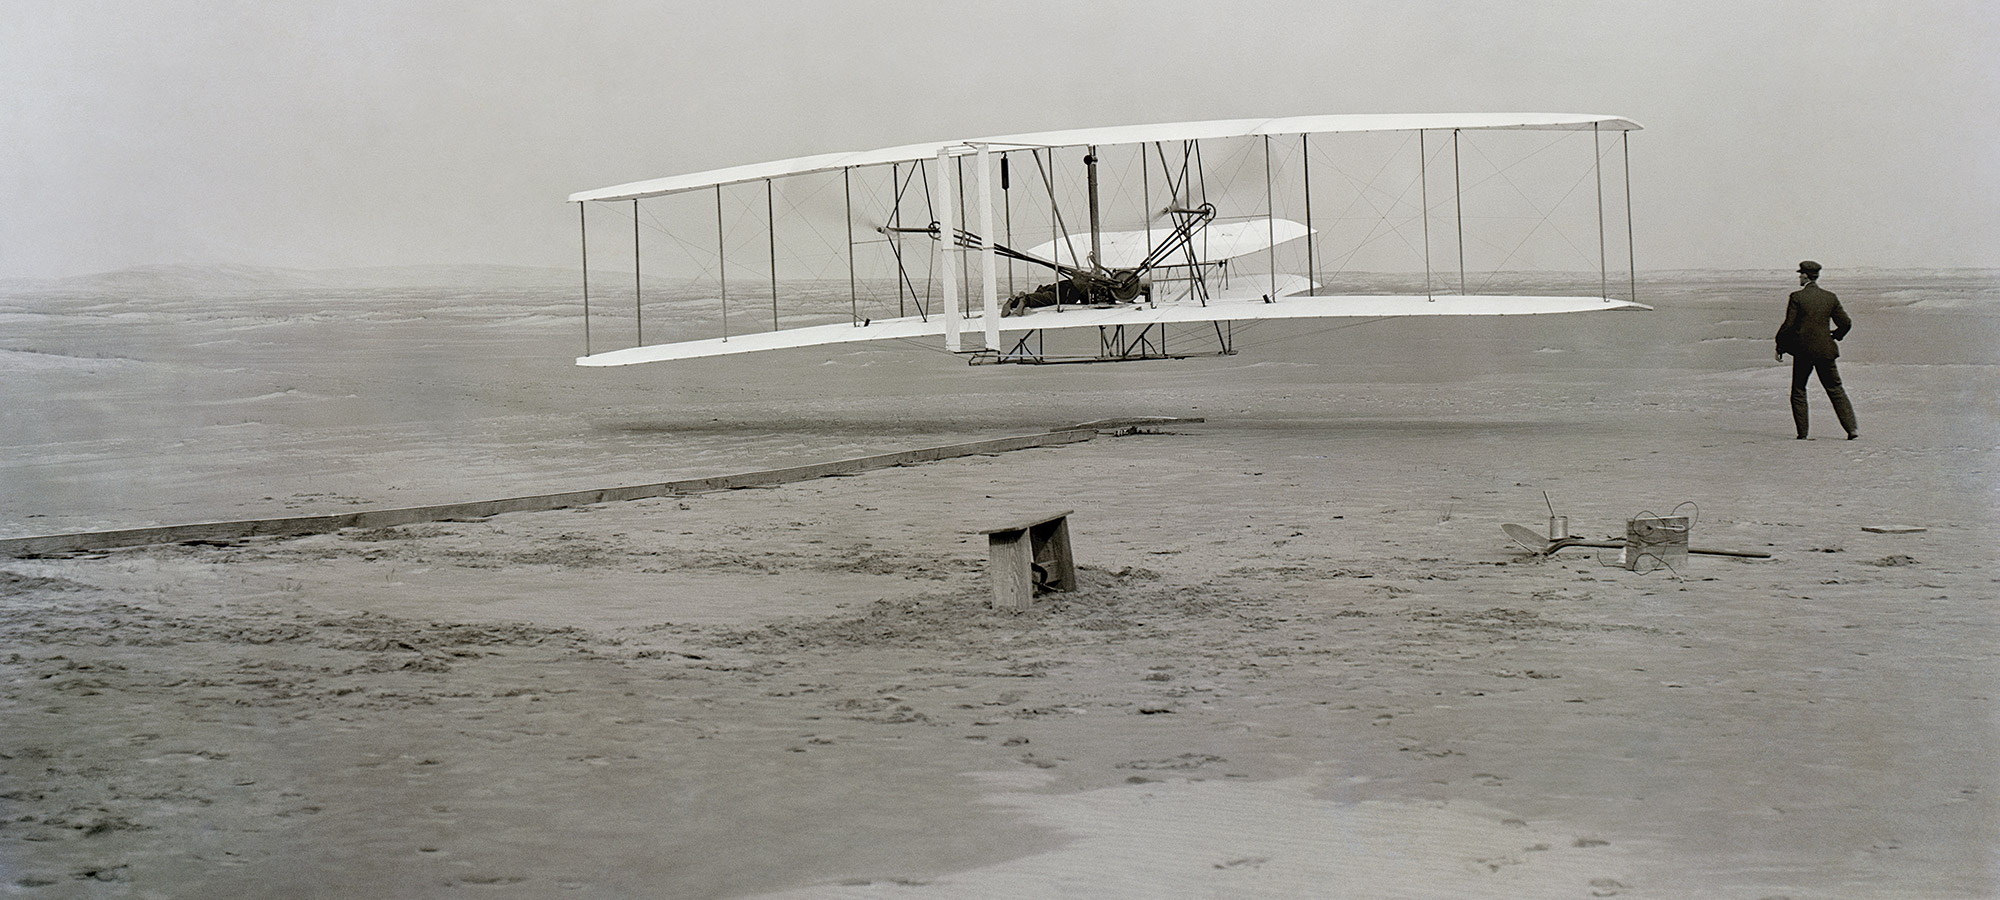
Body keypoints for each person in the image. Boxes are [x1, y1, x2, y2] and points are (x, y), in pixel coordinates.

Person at [1774, 260, 1858, 440]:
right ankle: (1852, 430)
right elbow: (1846, 323)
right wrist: (1835, 336)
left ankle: (1802, 434)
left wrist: (1780, 345)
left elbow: (1789, 325)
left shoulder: (1797, 297)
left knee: (1799, 390)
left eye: (1800, 274)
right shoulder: (1830, 297)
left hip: (1803, 351)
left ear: (1805, 275)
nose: (1799, 277)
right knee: (1835, 388)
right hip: (1826, 350)